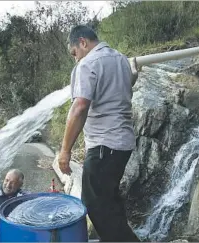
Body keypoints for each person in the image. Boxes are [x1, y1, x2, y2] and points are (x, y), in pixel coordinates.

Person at [57, 25, 141, 242]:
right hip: (123, 144)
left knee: (95, 205)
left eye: (74, 53)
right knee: (110, 199)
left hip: (105, 145)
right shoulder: (121, 59)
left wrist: (65, 151)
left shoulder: (88, 64)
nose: (75, 59)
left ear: (83, 42)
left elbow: (80, 106)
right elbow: (122, 88)